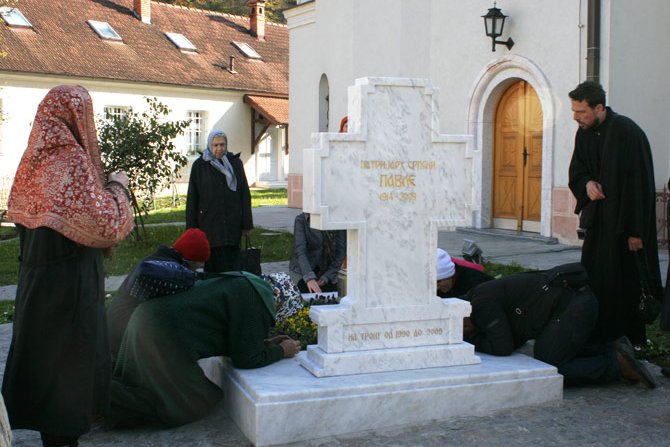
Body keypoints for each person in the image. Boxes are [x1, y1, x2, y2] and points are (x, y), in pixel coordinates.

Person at [2, 85, 134, 447]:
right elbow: (106, 223)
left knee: (46, 375)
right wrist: (118, 187)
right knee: (67, 384)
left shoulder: (33, 160)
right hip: (69, 291)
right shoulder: (71, 161)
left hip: (37, 287)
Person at [107, 272, 301, 428]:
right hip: (160, 336)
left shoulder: (246, 284)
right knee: (187, 404)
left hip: (147, 319)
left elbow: (234, 335)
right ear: (279, 300)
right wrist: (282, 351)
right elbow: (246, 359)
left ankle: (103, 391)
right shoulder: (255, 300)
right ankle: (104, 398)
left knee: (142, 381)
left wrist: (265, 343)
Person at [568, 81, 662, 345]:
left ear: (599, 107)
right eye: (573, 112)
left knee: (625, 283)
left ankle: (630, 342)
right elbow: (577, 170)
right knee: (596, 279)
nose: (576, 118)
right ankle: (598, 335)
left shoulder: (627, 132)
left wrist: (636, 232)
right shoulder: (584, 133)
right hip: (599, 226)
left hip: (625, 228)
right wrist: (587, 184)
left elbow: (639, 186)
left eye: (581, 112)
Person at [463, 266, 656, 388]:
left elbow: (502, 346)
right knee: (549, 350)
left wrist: (472, 341)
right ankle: (611, 350)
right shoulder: (479, 300)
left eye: (461, 327)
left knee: (549, 366)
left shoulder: (482, 303)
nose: (463, 331)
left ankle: (615, 365)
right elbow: (512, 339)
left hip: (573, 306)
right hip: (570, 305)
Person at [107, 228, 211, 360]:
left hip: (121, 332)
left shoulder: (160, 261)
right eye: (196, 266)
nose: (195, 270)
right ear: (188, 260)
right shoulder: (163, 270)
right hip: (123, 339)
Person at [186, 129, 252, 273]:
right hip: (209, 224)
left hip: (231, 224)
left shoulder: (235, 163)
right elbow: (192, 198)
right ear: (210, 145)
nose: (219, 148)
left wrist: (246, 224)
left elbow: (244, 194)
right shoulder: (200, 165)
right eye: (215, 145)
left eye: (222, 145)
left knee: (232, 265)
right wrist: (191, 228)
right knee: (212, 266)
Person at [289, 212, 346, 294]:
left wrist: (327, 277)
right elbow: (300, 251)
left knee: (332, 300)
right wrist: (309, 278)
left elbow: (341, 252)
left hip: (329, 270)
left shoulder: (338, 219)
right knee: (304, 300)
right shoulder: (301, 220)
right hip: (303, 270)